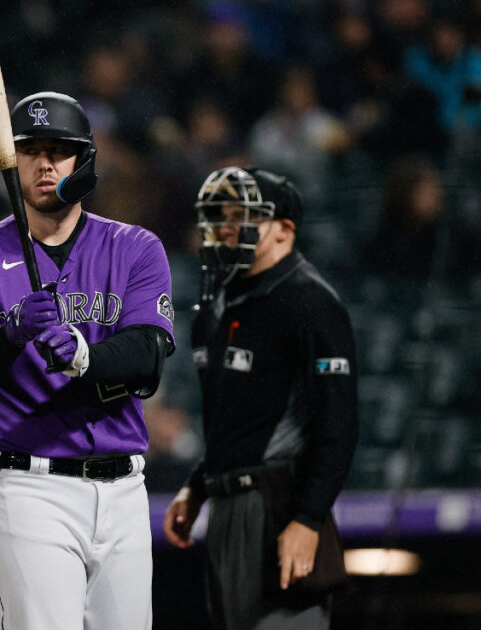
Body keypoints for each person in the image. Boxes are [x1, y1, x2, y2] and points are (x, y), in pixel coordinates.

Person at [0, 92, 175, 630]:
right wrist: (10, 334)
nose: (44, 163)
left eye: (59, 151)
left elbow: (148, 355)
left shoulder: (134, 247)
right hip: (26, 487)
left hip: (124, 490)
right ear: (12, 161)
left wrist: (88, 356)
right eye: (30, 151)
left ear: (84, 160)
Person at [163, 167, 358, 629]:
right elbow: (232, 420)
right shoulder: (215, 309)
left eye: (240, 216)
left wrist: (308, 519)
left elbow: (339, 423)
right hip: (227, 506)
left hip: (280, 502)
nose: (224, 228)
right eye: (218, 216)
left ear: (284, 230)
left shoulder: (311, 302)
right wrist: (198, 483)